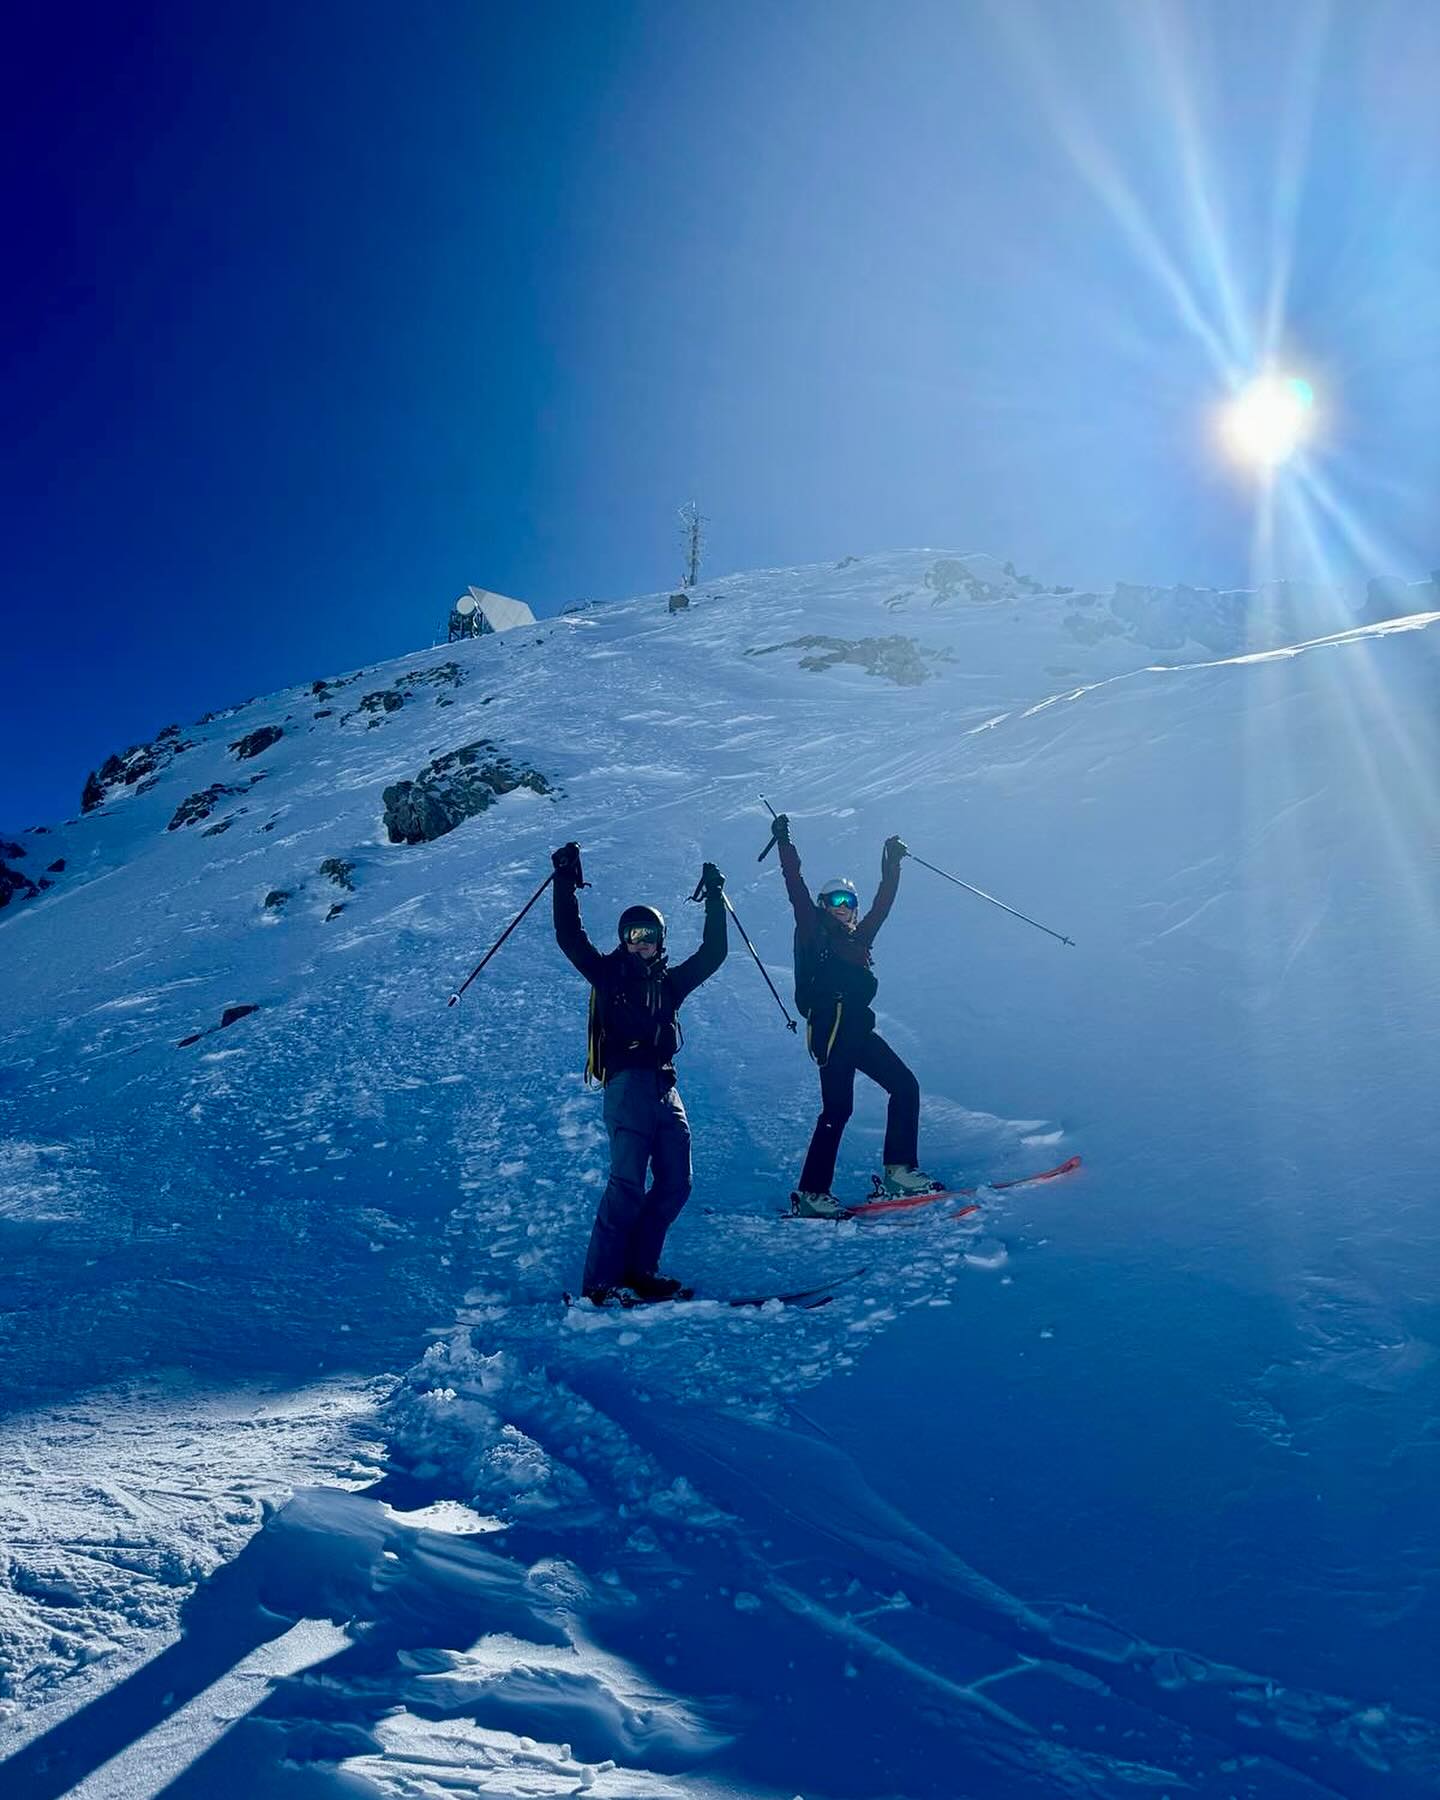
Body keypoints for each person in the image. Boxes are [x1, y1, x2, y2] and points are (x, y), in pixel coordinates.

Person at [550, 842, 728, 1302]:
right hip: (627, 1084)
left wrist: (714, 897)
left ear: (661, 938)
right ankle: (600, 1283)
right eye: (632, 934)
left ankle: (639, 1271)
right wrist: (566, 880)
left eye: (648, 934)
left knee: (676, 1183)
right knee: (627, 1183)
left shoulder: (669, 984)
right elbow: (570, 937)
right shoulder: (608, 975)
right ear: (623, 938)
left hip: (665, 1087)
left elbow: (713, 954)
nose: (640, 941)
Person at [771, 815, 942, 1217]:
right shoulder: (814, 934)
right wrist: (784, 843)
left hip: (859, 1033)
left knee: (905, 1086)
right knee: (837, 1110)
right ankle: (812, 1194)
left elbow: (882, 906)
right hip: (830, 1034)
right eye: (834, 901)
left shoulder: (859, 939)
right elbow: (795, 888)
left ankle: (899, 1171)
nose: (842, 908)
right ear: (823, 906)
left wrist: (892, 863)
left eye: (848, 902)